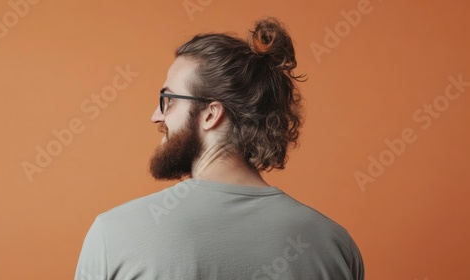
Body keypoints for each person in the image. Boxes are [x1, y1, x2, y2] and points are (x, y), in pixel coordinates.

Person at [74, 17, 364, 280]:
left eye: (168, 99)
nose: (156, 115)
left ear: (211, 114)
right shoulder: (334, 244)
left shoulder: (115, 234)